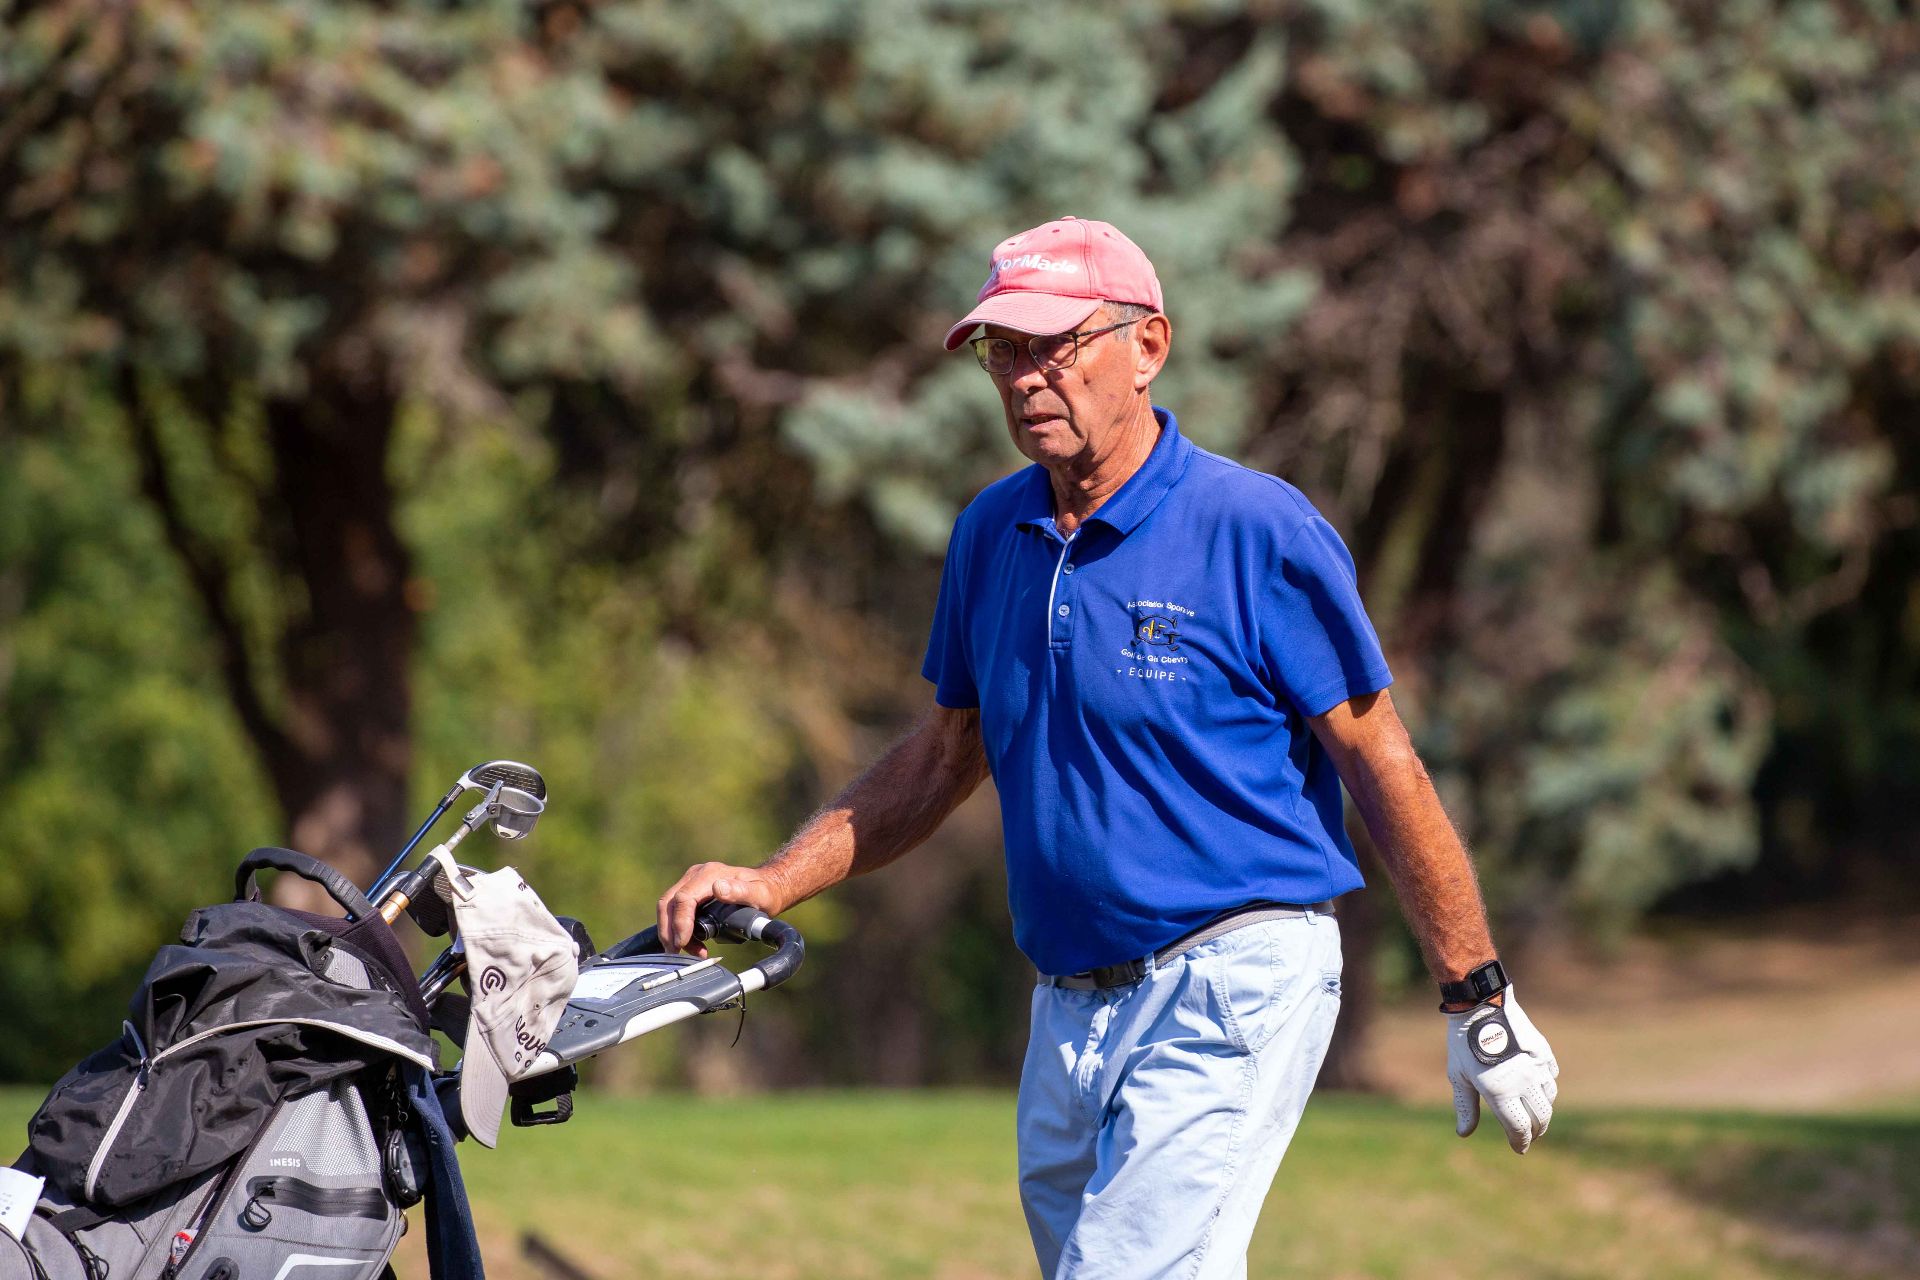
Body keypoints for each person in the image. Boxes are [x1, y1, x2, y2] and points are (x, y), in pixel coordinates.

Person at [657, 216, 1560, 1278]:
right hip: (1068, 1004)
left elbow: (1381, 760)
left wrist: (1475, 991)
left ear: (1147, 347)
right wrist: (772, 880)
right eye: (1004, 351)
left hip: (1231, 977)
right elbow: (946, 755)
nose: (1025, 378)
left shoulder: (1256, 530)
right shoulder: (991, 534)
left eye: (1056, 346)